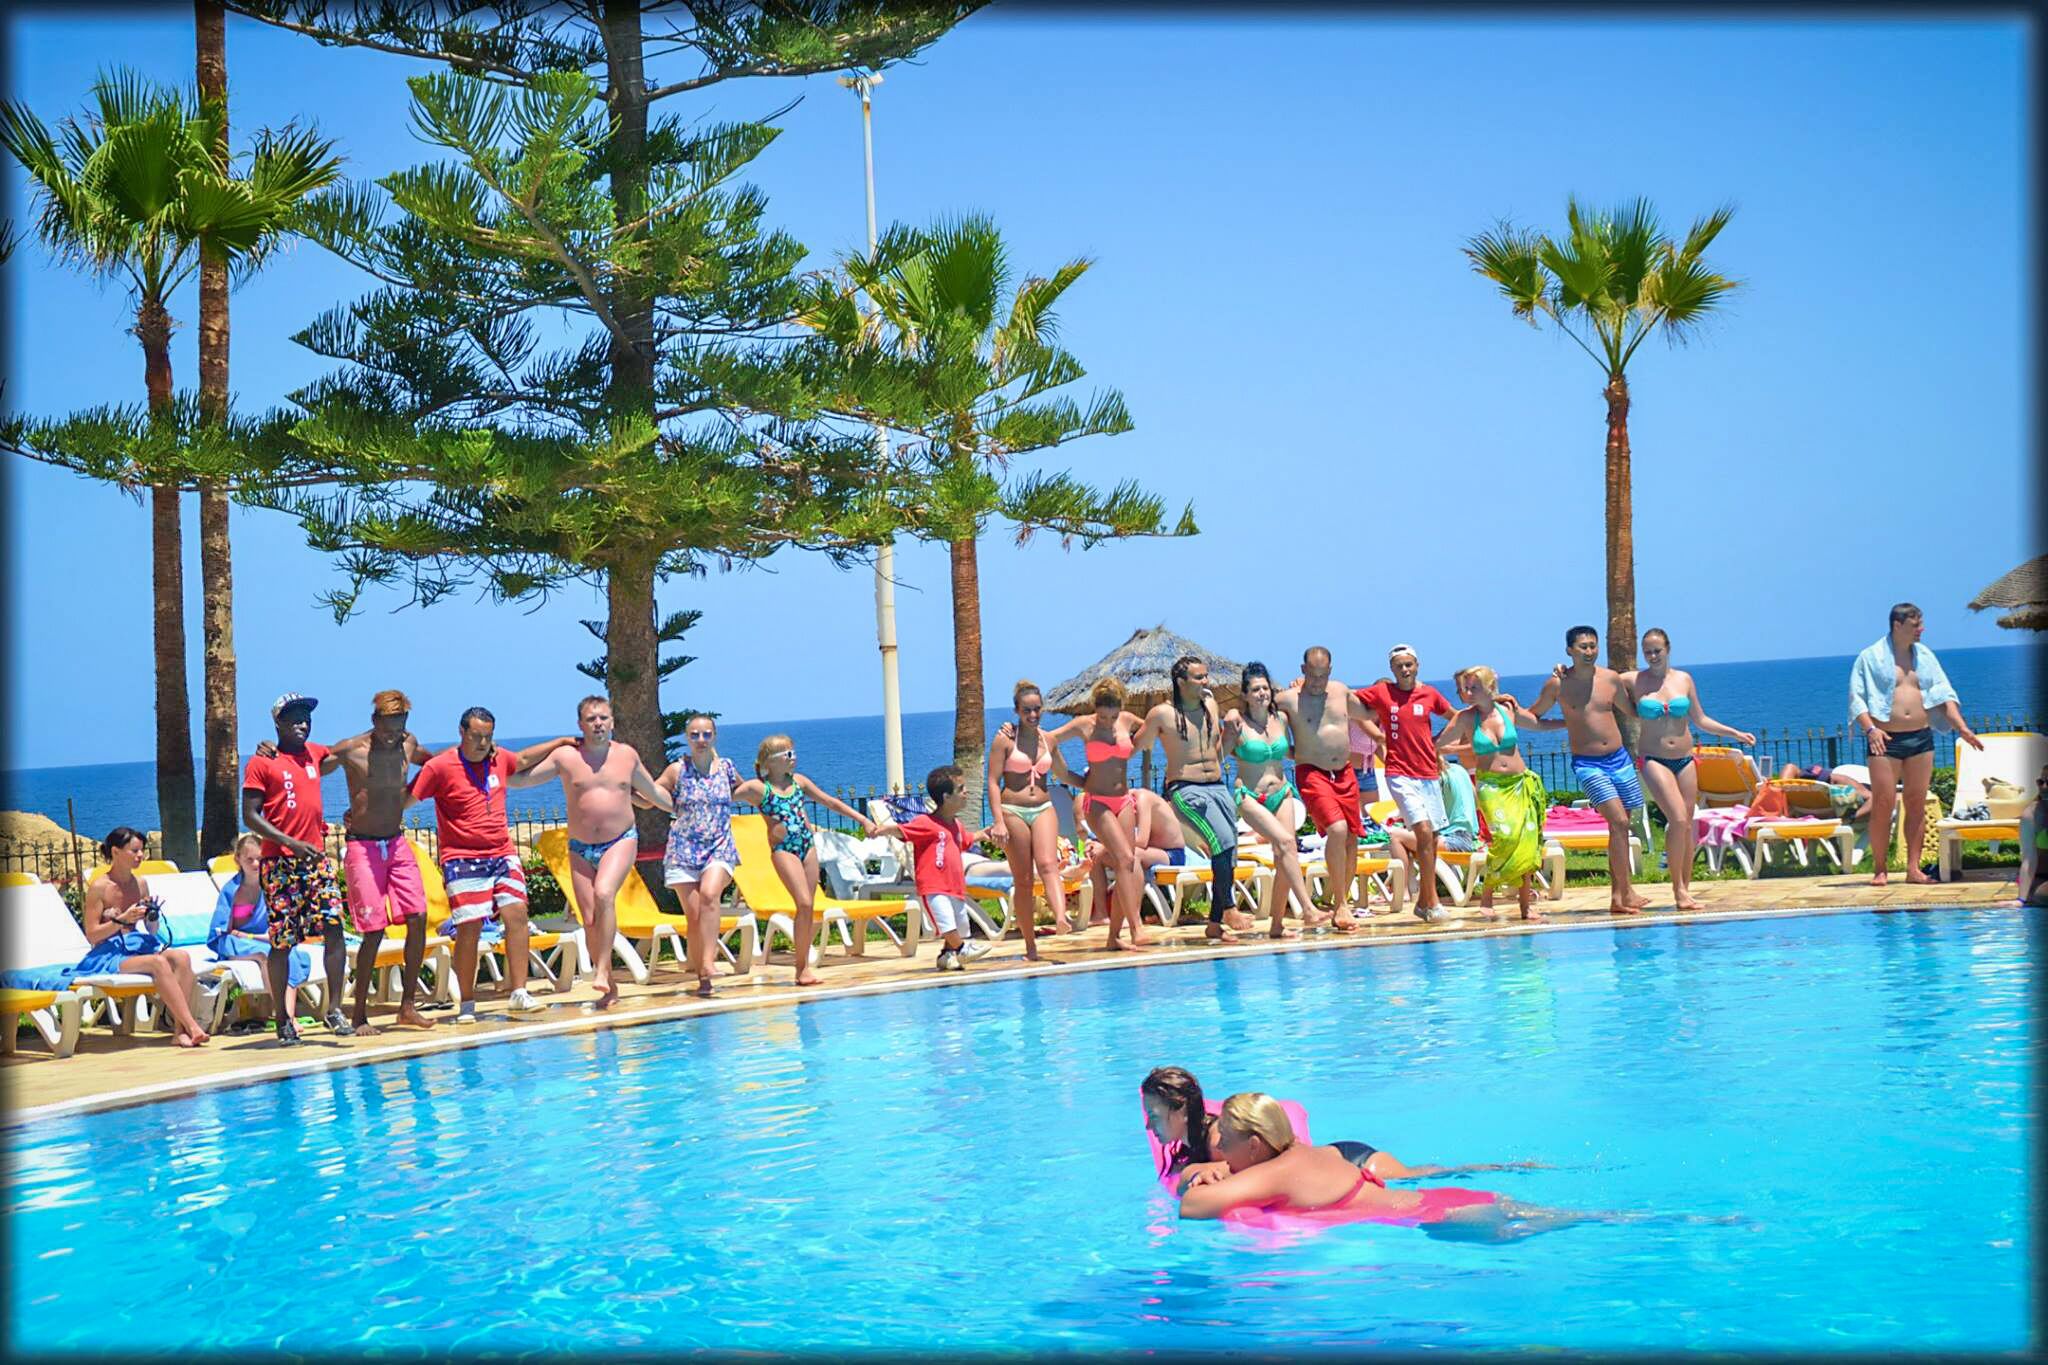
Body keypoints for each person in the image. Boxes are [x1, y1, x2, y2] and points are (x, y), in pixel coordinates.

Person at [1176, 1093, 1660, 1242]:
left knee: (1553, 1226)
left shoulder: (1272, 1172)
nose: (1224, 1152)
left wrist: (1197, 1174)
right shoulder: (1318, 1153)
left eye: (1229, 1144)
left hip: (1438, 1218)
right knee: (1583, 1218)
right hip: (1450, 1202)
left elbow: (1192, 1206)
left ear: (1256, 1146)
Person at [408, 706, 576, 1020]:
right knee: (469, 929)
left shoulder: (498, 759)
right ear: (462, 733)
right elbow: (408, 798)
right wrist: (368, 816)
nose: (483, 743)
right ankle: (468, 1004)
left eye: (488, 736)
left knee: (517, 915)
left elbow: (524, 760)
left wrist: (559, 742)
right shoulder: (440, 767)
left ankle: (519, 992)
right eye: (476, 736)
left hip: (502, 854)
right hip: (462, 859)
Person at [517, 696, 675, 1009]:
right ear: (580, 725)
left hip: (620, 840)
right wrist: (485, 775)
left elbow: (653, 792)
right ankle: (610, 989)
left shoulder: (626, 756)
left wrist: (686, 808)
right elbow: (522, 780)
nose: (598, 724)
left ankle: (602, 969)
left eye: (603, 718)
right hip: (579, 848)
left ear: (613, 722)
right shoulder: (565, 756)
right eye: (591, 719)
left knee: (604, 894)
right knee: (589, 918)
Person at [1139, 1067, 1527, 1186]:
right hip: (1328, 1162)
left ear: (1180, 1111)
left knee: (1419, 1176)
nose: (1152, 1127)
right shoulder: (1191, 1145)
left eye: (1156, 1116)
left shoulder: (1222, 1136)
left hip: (1347, 1158)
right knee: (1419, 1175)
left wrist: (1212, 1169)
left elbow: (1256, 1161)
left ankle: (1505, 1168)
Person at [241, 692, 354, 1044]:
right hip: (280, 864)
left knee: (334, 928)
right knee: (283, 943)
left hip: (317, 861)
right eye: (293, 717)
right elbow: (249, 816)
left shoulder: (315, 754)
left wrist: (383, 729)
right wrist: (290, 843)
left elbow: (345, 749)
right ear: (277, 722)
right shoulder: (262, 762)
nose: (302, 722)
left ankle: (334, 1009)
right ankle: (283, 1019)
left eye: (306, 716)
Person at [1849, 603, 1985, 885]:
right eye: (1915, 625)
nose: (1921, 630)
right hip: (1885, 739)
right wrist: (1871, 729)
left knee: (1916, 802)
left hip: (1921, 736)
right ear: (1898, 625)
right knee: (1884, 803)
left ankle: (1913, 869)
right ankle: (1880, 869)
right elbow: (1857, 698)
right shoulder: (1870, 657)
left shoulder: (1924, 656)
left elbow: (1944, 694)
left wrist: (1962, 728)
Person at [1621, 629, 1757, 911]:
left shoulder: (1683, 679)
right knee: (1679, 819)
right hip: (1653, 759)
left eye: (1657, 650)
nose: (1653, 656)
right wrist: (1565, 672)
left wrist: (1735, 733)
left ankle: (1685, 887)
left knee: (1687, 825)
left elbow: (1700, 718)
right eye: (1647, 651)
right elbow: (1599, 679)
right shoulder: (1634, 680)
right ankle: (1679, 890)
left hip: (1685, 758)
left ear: (1668, 649)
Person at [1525, 629, 1651, 915]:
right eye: (1583, 647)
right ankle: (1618, 898)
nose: (1589, 651)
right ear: (1569, 650)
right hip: (1588, 764)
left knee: (1623, 824)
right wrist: (1563, 724)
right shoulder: (1557, 684)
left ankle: (1625, 891)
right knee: (1618, 821)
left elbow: (1631, 711)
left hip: (1620, 759)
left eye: (1593, 646)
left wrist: (1662, 705)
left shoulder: (1610, 679)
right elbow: (1533, 716)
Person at [731, 733, 874, 986]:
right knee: (805, 902)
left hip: (807, 846)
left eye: (793, 753)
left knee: (807, 909)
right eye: (788, 754)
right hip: (783, 849)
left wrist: (862, 819)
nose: (793, 758)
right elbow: (725, 797)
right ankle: (802, 968)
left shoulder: (799, 782)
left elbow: (830, 802)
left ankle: (802, 968)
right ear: (771, 761)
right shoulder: (758, 789)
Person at [1134, 656, 1253, 943]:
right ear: (1181, 682)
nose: (1205, 682)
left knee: (1229, 850)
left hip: (1216, 785)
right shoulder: (1162, 714)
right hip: (1186, 788)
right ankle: (1228, 908)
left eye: (1205, 676)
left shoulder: (1210, 706)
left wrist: (1231, 732)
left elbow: (1218, 750)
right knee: (1222, 841)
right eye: (1199, 677)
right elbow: (1136, 746)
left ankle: (1214, 924)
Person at [1273, 647, 1383, 931]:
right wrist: (1291, 753)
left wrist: (1397, 702)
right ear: (1302, 669)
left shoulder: (1340, 692)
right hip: (1312, 772)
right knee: (1336, 829)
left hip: (1345, 772)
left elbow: (1370, 711)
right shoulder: (1288, 699)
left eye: (1323, 675)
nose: (1317, 681)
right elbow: (1262, 720)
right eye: (1312, 674)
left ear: (1330, 671)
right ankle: (1342, 906)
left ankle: (1340, 902)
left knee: (1351, 838)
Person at [1039, 678, 1153, 951]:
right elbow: (1049, 739)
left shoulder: (1126, 720)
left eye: (1112, 716)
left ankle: (1114, 936)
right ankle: (1136, 927)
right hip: (1097, 802)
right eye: (1102, 716)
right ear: (1095, 709)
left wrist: (1141, 744)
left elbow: (1153, 726)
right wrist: (1067, 775)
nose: (1107, 721)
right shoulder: (1084, 725)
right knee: (1125, 858)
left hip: (1123, 800)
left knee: (1128, 863)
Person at [1438, 668, 1558, 921]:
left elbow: (1537, 724)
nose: (1468, 693)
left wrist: (1573, 722)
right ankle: (1487, 894)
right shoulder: (1466, 718)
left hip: (1520, 783)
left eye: (1474, 687)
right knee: (1504, 836)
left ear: (1490, 687)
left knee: (1525, 843)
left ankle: (1526, 906)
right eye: (1466, 688)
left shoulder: (1509, 709)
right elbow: (1435, 742)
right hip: (1490, 786)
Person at [77, 826, 211, 1047]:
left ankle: (179, 1032)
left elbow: (151, 929)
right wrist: (121, 920)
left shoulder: (140, 884)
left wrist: (152, 915)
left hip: (136, 946)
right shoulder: (99, 888)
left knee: (182, 958)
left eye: (142, 851)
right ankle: (192, 1026)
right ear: (116, 852)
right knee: (158, 962)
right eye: (135, 851)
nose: (141, 856)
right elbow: (92, 935)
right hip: (108, 953)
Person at [1356, 647, 1458, 923]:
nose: (1405, 670)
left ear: (1417, 665)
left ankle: (1423, 901)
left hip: (1428, 774)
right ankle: (1432, 900)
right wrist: (1377, 735)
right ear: (1392, 668)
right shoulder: (1382, 693)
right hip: (1399, 773)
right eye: (1399, 666)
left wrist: (1439, 743)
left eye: (1409, 664)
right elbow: (1349, 704)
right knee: (1423, 831)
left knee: (1433, 838)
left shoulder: (1430, 694)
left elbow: (1457, 717)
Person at [1221, 662, 1323, 936]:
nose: (1261, 693)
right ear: (1244, 694)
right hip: (1251, 796)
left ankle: (1277, 925)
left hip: (1282, 792)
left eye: (1265, 688)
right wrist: (1228, 729)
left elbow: (1293, 745)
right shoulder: (1237, 723)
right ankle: (1308, 910)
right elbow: (1218, 755)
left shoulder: (1281, 719)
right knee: (1287, 843)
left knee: (1284, 856)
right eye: (1255, 689)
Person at [652, 714, 747, 997]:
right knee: (693, 916)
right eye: (695, 735)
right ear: (687, 737)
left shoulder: (726, 768)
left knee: (709, 895)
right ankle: (703, 978)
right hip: (683, 850)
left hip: (718, 845)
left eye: (706, 734)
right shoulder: (677, 770)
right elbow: (652, 792)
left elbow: (742, 790)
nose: (701, 740)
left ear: (714, 736)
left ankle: (708, 962)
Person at [872, 765, 999, 972]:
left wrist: (981, 835)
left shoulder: (956, 825)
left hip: (955, 886)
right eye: (961, 789)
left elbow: (963, 841)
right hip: (933, 886)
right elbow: (903, 831)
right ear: (946, 797)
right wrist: (883, 829)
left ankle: (947, 955)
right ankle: (962, 948)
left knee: (960, 925)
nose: (966, 792)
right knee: (947, 923)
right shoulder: (926, 822)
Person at [986, 681, 1067, 953]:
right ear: (1017, 711)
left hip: (1044, 806)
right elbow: (993, 782)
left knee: (1048, 864)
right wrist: (998, 821)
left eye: (1037, 710)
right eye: (1026, 711)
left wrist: (1092, 783)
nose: (1033, 715)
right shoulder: (1005, 739)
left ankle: (1060, 917)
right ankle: (1030, 945)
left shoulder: (1050, 740)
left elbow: (1065, 775)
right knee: (1023, 879)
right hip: (1013, 811)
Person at [207, 832, 310, 1027]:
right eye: (250, 859)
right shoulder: (232, 891)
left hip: (261, 938)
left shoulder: (270, 885)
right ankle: (283, 1016)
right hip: (234, 941)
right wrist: (246, 936)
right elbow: (223, 931)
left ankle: (289, 1016)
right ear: (238, 859)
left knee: (289, 953)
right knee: (266, 955)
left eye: (260, 859)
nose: (256, 864)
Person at [1384, 753, 1482, 918]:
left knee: (1396, 837)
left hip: (1454, 840)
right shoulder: (1460, 770)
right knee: (1412, 841)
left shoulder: (1437, 779)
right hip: (1471, 837)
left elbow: (1427, 816)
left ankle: (1404, 892)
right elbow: (1476, 802)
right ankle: (1413, 889)